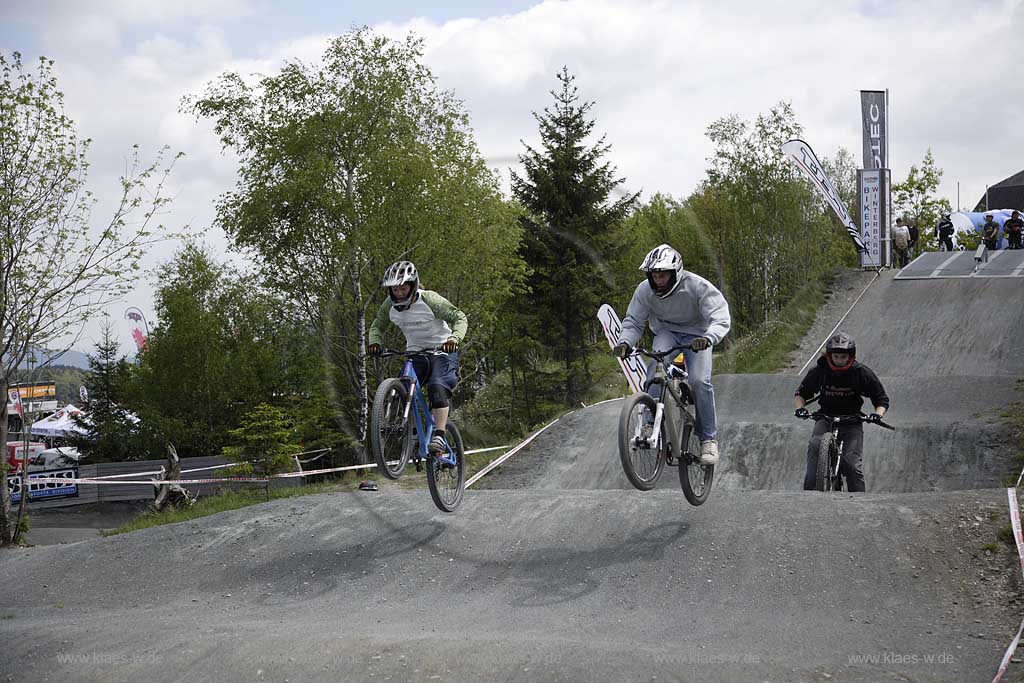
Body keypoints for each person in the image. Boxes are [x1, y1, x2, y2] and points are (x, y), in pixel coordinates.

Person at [612, 244, 731, 465]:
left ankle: (708, 439)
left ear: (675, 272)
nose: (658, 280)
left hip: (698, 335)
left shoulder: (696, 286)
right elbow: (633, 321)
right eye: (654, 276)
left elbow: (720, 315)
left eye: (663, 275)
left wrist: (709, 337)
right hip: (667, 332)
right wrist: (625, 342)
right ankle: (649, 424)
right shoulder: (644, 291)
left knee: (699, 380)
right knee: (655, 366)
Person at [367, 261, 467, 455]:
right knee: (403, 388)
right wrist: (375, 343)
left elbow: (460, 317)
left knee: (437, 386)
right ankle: (411, 433)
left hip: (442, 350)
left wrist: (454, 338)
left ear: (413, 285)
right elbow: (377, 325)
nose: (399, 293)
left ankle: (439, 434)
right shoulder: (389, 306)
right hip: (415, 352)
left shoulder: (430, 300)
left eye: (403, 288)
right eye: (394, 289)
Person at [794, 332, 890, 493]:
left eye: (843, 357)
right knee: (815, 446)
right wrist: (800, 409)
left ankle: (858, 500)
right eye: (836, 356)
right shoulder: (820, 371)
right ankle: (809, 494)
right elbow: (801, 394)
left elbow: (881, 400)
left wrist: (877, 414)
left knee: (851, 463)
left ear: (851, 356)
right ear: (830, 356)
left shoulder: (861, 372)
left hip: (852, 421)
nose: (839, 360)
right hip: (825, 418)